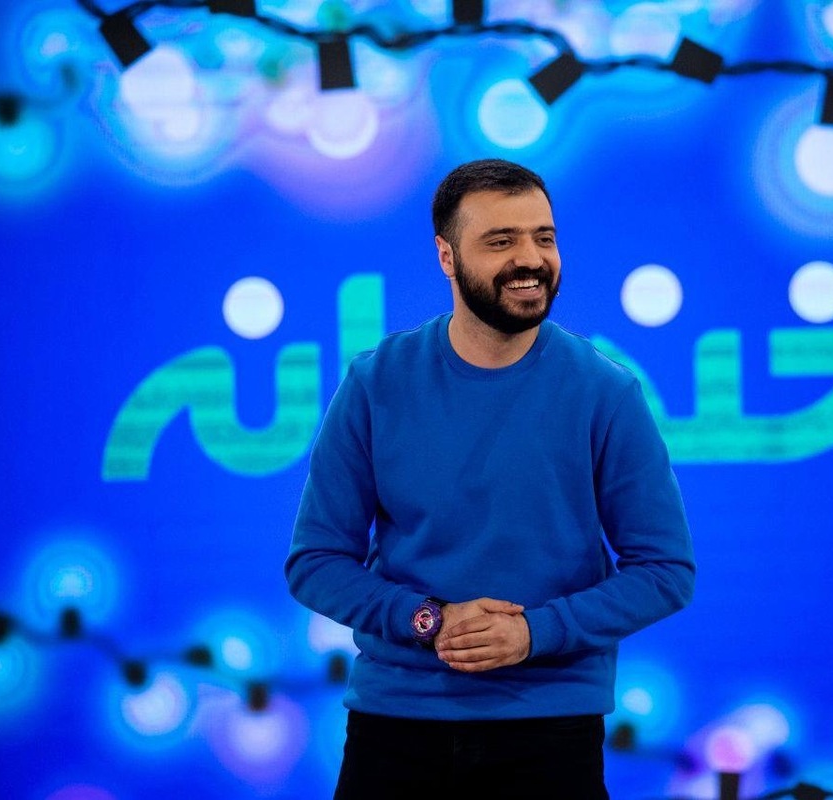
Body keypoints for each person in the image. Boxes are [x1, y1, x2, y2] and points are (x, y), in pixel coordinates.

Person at [285, 158, 696, 799]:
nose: (530, 259)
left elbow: (665, 571)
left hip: (552, 735)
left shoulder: (605, 392)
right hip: (395, 729)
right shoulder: (375, 384)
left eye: (544, 237)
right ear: (447, 257)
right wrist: (427, 620)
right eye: (501, 241)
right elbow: (315, 561)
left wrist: (534, 633)